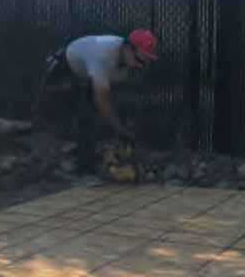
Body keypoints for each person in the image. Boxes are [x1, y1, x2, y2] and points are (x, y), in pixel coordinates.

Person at [35, 29, 159, 174]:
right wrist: (123, 131)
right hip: (63, 70)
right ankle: (80, 167)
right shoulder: (104, 58)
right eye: (138, 60)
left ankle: (92, 159)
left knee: (99, 113)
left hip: (86, 73)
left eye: (144, 63)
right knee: (85, 115)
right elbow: (102, 102)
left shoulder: (124, 58)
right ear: (127, 48)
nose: (139, 65)